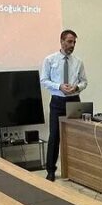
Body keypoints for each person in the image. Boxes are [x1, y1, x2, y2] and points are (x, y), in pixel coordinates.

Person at [39, 29, 87, 181]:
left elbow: (84, 81)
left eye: (74, 42)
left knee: (77, 136)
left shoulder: (78, 62)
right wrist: (59, 86)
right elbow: (44, 80)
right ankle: (51, 170)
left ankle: (77, 169)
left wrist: (77, 87)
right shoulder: (50, 60)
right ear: (61, 41)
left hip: (74, 101)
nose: (72, 45)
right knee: (55, 136)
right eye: (69, 41)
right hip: (58, 101)